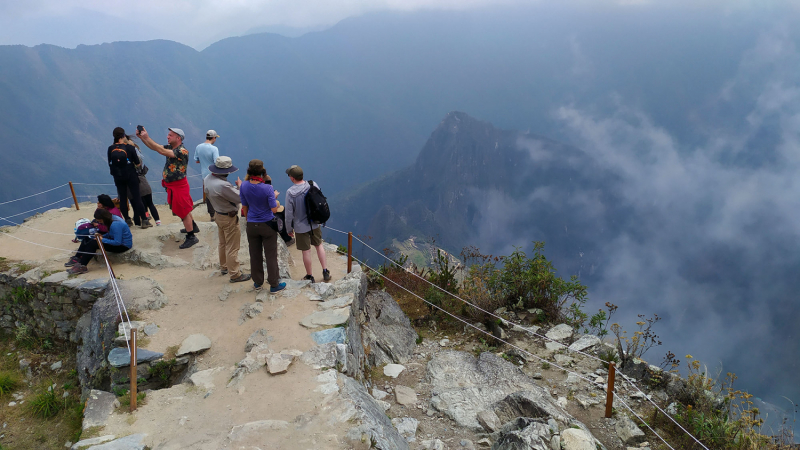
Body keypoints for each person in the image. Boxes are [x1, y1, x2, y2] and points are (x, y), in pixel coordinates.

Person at [136, 126, 199, 249]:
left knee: (183, 210)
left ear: (178, 138)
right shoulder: (172, 147)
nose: (167, 137)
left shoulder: (182, 151)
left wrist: (147, 137)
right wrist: (143, 138)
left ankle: (191, 236)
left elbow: (161, 151)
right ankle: (193, 226)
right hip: (173, 185)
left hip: (179, 185)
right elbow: (156, 148)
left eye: (170, 135)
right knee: (183, 208)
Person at [240, 160, 285, 293]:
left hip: (251, 224)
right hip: (267, 224)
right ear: (262, 172)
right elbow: (274, 209)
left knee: (255, 254)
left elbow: (244, 206)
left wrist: (248, 219)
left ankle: (257, 282)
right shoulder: (267, 188)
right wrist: (274, 197)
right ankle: (274, 284)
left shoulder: (244, 186)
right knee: (270, 255)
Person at [204, 156, 251, 283]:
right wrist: (240, 186)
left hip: (218, 214)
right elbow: (240, 198)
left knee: (223, 243)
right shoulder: (223, 185)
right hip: (229, 217)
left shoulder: (208, 178)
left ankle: (224, 266)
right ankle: (235, 274)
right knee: (232, 246)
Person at [284, 165, 330, 283]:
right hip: (314, 222)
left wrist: (289, 229)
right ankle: (325, 271)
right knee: (319, 245)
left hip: (300, 226)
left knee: (306, 251)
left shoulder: (290, 192)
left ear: (292, 178)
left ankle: (310, 276)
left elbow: (289, 214)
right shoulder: (312, 184)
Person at [65, 209, 132, 274]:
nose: (100, 222)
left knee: (93, 244)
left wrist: (102, 239)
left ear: (104, 218)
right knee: (88, 238)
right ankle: (78, 257)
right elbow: (111, 233)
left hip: (123, 246)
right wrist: (102, 236)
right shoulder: (111, 219)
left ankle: (82, 265)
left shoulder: (116, 224)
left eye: (100, 221)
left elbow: (117, 242)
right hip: (115, 240)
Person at [108, 127, 151, 229]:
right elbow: (138, 163)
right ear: (123, 135)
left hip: (118, 177)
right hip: (131, 176)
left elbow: (110, 163)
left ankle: (127, 220)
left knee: (123, 198)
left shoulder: (110, 149)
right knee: (137, 197)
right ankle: (144, 220)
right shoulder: (130, 148)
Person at [125, 137, 161, 226]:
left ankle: (138, 224)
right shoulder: (138, 153)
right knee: (150, 203)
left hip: (130, 183)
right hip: (142, 180)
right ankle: (158, 222)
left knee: (136, 207)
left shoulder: (123, 156)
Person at [194, 130, 220, 222]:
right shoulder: (214, 149)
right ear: (213, 138)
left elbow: (197, 160)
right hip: (213, 174)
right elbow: (217, 162)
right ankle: (218, 213)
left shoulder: (198, 147)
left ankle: (212, 215)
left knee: (208, 195)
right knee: (216, 194)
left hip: (204, 174)